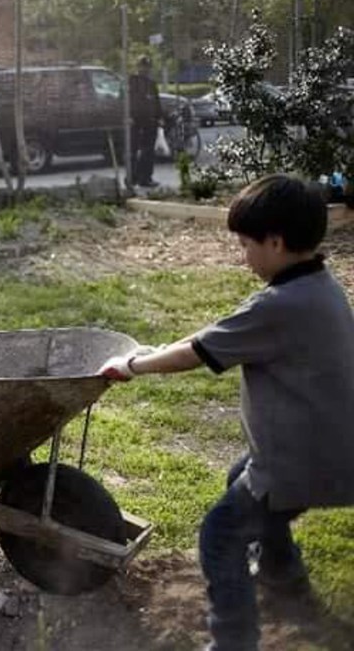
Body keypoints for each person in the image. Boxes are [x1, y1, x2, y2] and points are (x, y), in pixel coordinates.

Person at [98, 175, 354, 651]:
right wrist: (158, 348)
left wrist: (132, 365)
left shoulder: (279, 305)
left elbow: (195, 354)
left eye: (245, 245)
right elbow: (212, 336)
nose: (243, 256)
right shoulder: (317, 287)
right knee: (242, 477)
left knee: (220, 535)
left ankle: (233, 642)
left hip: (300, 463)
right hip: (335, 448)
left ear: (275, 242)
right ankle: (284, 582)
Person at [128, 55, 162, 188]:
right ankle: (132, 177)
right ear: (138, 67)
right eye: (143, 66)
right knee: (134, 151)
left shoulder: (151, 83)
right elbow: (129, 101)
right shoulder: (133, 81)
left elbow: (156, 101)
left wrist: (160, 117)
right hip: (136, 122)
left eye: (147, 67)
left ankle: (146, 177)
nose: (145, 69)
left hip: (150, 122)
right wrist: (130, 116)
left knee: (148, 152)